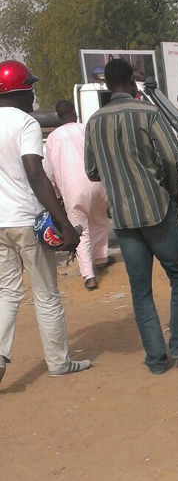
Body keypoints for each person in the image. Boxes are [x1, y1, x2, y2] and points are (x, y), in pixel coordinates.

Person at [84, 58, 178, 375]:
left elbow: (92, 171)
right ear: (132, 81)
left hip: (123, 219)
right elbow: (170, 157)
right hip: (156, 210)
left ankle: (156, 359)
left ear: (109, 85)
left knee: (141, 292)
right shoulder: (148, 113)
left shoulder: (94, 122)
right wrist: (173, 188)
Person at [0, 60, 91, 384]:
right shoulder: (26, 123)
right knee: (46, 294)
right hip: (26, 220)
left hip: (0, 224)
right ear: (22, 91)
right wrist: (63, 221)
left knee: (7, 294)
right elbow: (35, 174)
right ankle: (58, 362)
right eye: (31, 88)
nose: (34, 96)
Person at [44, 100, 111, 292]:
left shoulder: (52, 138)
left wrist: (56, 193)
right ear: (74, 112)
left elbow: (49, 171)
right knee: (99, 220)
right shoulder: (85, 128)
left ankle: (89, 276)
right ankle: (101, 258)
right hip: (95, 183)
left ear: (58, 116)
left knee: (80, 230)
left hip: (71, 190)